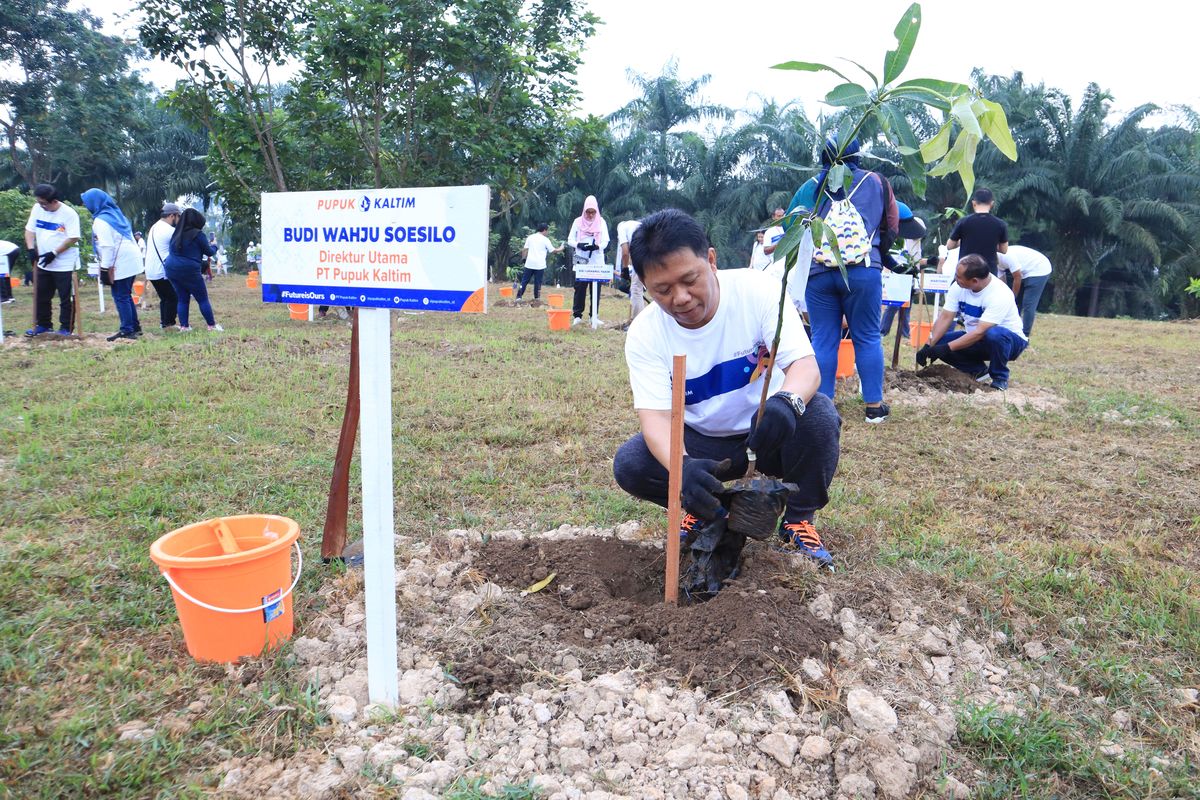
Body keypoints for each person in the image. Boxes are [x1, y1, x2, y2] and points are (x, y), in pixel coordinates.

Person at [612, 209, 842, 568]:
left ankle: (798, 520)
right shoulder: (646, 334)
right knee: (633, 463)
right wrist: (683, 467)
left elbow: (805, 367)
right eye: (663, 290)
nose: (681, 298)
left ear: (712, 261)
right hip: (704, 445)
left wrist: (786, 402)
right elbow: (655, 418)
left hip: (768, 434)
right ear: (643, 284)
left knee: (819, 415)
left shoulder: (758, 291)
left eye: (690, 280)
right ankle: (708, 509)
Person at [792, 137, 898, 423]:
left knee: (824, 340)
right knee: (867, 336)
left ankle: (824, 408)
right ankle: (874, 408)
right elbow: (892, 225)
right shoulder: (877, 182)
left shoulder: (810, 186)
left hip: (819, 273)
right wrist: (879, 255)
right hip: (863, 270)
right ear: (857, 156)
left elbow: (791, 226)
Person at [917, 254, 1027, 390]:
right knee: (939, 342)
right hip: (977, 338)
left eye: (959, 277)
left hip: (1009, 341)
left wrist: (946, 349)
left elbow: (980, 332)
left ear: (974, 281)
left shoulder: (1000, 294)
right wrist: (928, 345)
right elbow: (945, 317)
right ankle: (978, 371)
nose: (955, 279)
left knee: (994, 334)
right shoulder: (958, 287)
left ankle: (1000, 378)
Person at [81, 189, 143, 341]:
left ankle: (127, 330)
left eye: (86, 202)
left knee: (120, 296)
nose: (85, 205)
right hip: (131, 258)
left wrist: (104, 268)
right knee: (126, 294)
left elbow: (107, 246)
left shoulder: (101, 221)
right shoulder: (116, 215)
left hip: (120, 261)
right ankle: (135, 326)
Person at [24, 183, 81, 336]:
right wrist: (31, 249)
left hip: (64, 264)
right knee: (41, 294)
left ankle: (65, 328)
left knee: (65, 297)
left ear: (54, 201)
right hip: (43, 263)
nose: (40, 206)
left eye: (43, 203)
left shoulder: (69, 214)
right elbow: (29, 230)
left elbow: (73, 237)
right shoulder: (37, 208)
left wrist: (55, 253)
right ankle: (43, 325)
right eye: (39, 202)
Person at [164, 208, 223, 332]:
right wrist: (215, 245)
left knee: (182, 298)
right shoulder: (198, 234)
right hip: (189, 269)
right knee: (202, 298)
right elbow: (209, 252)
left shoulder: (176, 233)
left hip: (171, 268)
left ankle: (184, 326)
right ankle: (212, 326)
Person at [880, 202, 927, 339]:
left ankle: (905, 333)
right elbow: (886, 256)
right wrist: (898, 269)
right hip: (897, 276)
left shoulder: (916, 245)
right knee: (893, 305)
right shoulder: (895, 239)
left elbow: (917, 260)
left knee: (907, 306)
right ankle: (882, 331)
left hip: (908, 276)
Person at [946, 187, 1008, 276]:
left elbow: (949, 246)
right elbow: (1004, 250)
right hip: (988, 272)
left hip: (966, 271)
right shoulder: (1000, 224)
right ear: (992, 204)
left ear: (974, 203)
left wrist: (965, 241)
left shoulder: (963, 222)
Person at [568, 195, 609, 324]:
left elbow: (606, 240)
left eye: (593, 212)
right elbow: (570, 240)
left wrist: (597, 246)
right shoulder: (577, 222)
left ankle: (594, 316)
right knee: (580, 287)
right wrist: (578, 245)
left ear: (596, 211)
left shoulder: (601, 222)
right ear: (584, 210)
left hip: (596, 258)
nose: (591, 215)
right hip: (581, 258)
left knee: (595, 288)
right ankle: (577, 316)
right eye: (588, 212)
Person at [999, 245, 1053, 337]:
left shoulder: (1005, 256)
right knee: (1016, 303)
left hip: (1039, 268)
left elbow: (1017, 277)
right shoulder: (992, 261)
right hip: (1023, 270)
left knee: (1028, 304)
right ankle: (1013, 330)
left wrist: (1012, 297)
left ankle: (1025, 336)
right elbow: (1002, 283)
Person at [144, 203, 181, 329]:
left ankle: (164, 323)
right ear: (172, 216)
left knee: (165, 298)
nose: (178, 220)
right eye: (178, 217)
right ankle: (168, 324)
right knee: (172, 297)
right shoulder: (169, 230)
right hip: (161, 270)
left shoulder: (155, 227)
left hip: (151, 270)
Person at [516, 223, 562, 300]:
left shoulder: (530, 237)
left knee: (524, 281)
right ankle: (537, 298)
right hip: (540, 265)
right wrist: (561, 248)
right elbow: (553, 250)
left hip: (529, 263)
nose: (547, 233)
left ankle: (519, 297)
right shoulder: (545, 240)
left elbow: (525, 249)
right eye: (547, 231)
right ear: (544, 230)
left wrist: (523, 259)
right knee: (538, 282)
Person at [617, 218, 645, 317]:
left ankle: (637, 321)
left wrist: (624, 269)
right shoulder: (636, 225)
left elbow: (625, 252)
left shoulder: (621, 228)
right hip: (656, 251)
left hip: (643, 254)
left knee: (636, 289)